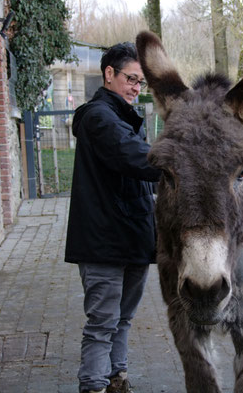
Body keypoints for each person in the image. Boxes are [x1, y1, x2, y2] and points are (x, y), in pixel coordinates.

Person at [65, 42, 161, 393]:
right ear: (109, 74)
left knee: (122, 320)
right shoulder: (99, 118)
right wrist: (181, 161)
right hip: (104, 242)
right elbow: (131, 155)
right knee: (102, 323)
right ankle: (93, 385)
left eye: (141, 82)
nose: (137, 87)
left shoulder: (122, 116)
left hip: (132, 237)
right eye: (131, 79)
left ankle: (117, 378)